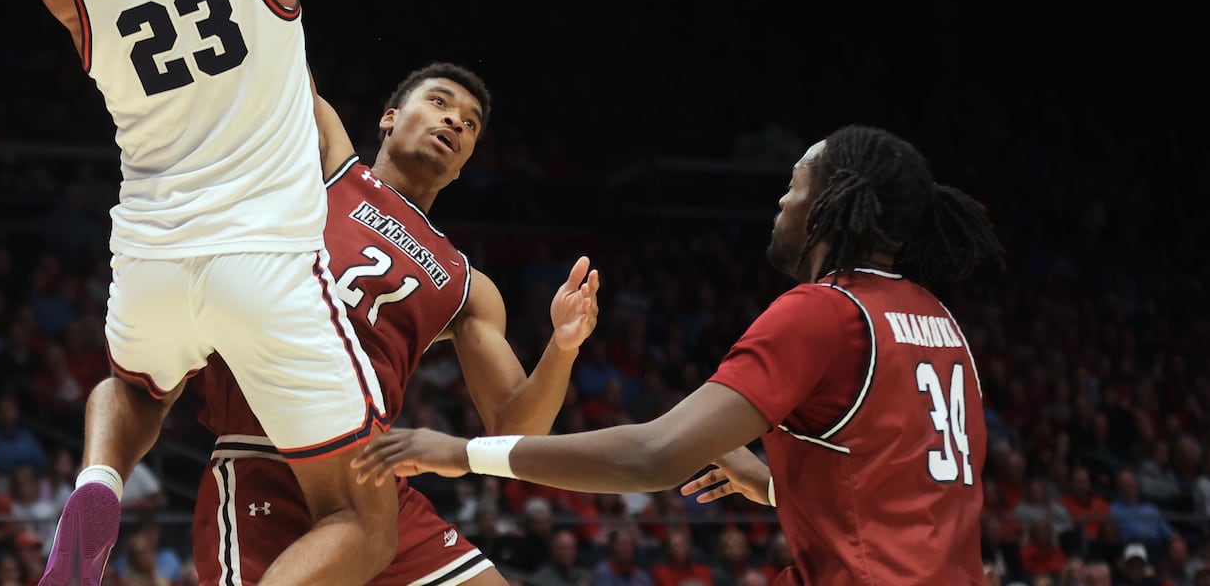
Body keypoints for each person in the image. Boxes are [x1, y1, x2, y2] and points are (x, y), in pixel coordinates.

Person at [27, 0, 394, 586]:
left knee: (133, 392)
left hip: (152, 253)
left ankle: (98, 476)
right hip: (265, 259)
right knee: (363, 518)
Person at [354, 125, 1006, 585]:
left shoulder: (827, 312)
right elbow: (904, 496)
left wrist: (463, 455)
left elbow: (653, 456)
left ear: (831, 202)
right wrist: (775, 485)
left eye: (795, 184)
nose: (781, 201)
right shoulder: (937, 321)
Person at [189, 64, 600, 586]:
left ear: (463, 165)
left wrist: (563, 347)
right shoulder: (330, 164)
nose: (455, 121)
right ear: (389, 117)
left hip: (370, 473)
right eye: (439, 102)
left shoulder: (467, 284)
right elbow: (282, 58)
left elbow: (514, 431)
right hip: (267, 454)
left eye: (471, 124)